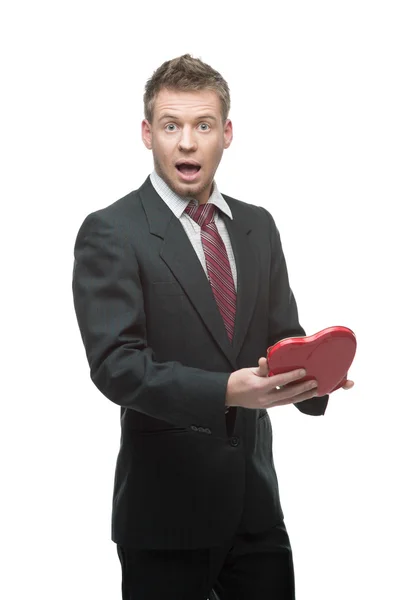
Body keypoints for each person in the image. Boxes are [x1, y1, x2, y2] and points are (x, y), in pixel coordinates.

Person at [72, 54, 354, 600]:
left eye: (202, 126)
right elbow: (116, 365)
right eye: (171, 126)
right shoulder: (111, 231)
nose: (186, 143)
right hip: (165, 517)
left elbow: (281, 336)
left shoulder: (257, 225)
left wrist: (317, 377)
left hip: (256, 511)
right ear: (146, 133)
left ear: (226, 134)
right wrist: (227, 391)